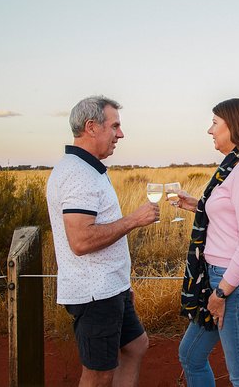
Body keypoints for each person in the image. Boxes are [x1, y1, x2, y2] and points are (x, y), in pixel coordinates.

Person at [46, 96, 159, 387]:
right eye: (115, 126)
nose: (120, 134)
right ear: (92, 127)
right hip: (94, 293)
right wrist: (134, 220)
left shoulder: (88, 167)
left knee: (135, 346)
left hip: (111, 287)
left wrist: (123, 286)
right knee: (98, 374)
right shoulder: (77, 173)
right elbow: (81, 240)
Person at [175, 98, 239, 387]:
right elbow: (229, 217)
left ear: (234, 127)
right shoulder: (232, 167)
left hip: (236, 283)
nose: (209, 130)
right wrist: (198, 205)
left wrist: (221, 294)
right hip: (220, 278)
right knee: (190, 355)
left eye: (215, 123)